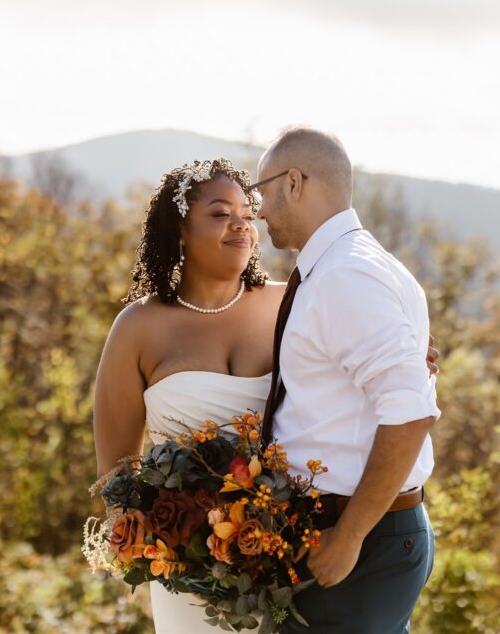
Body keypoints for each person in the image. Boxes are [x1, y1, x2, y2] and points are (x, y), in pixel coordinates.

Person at [93, 149, 440, 633]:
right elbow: (115, 473)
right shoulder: (137, 328)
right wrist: (173, 542)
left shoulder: (294, 300)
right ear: (179, 233)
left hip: (288, 556)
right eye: (220, 215)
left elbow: (364, 359)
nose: (241, 225)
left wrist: (415, 356)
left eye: (247, 215)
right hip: (188, 569)